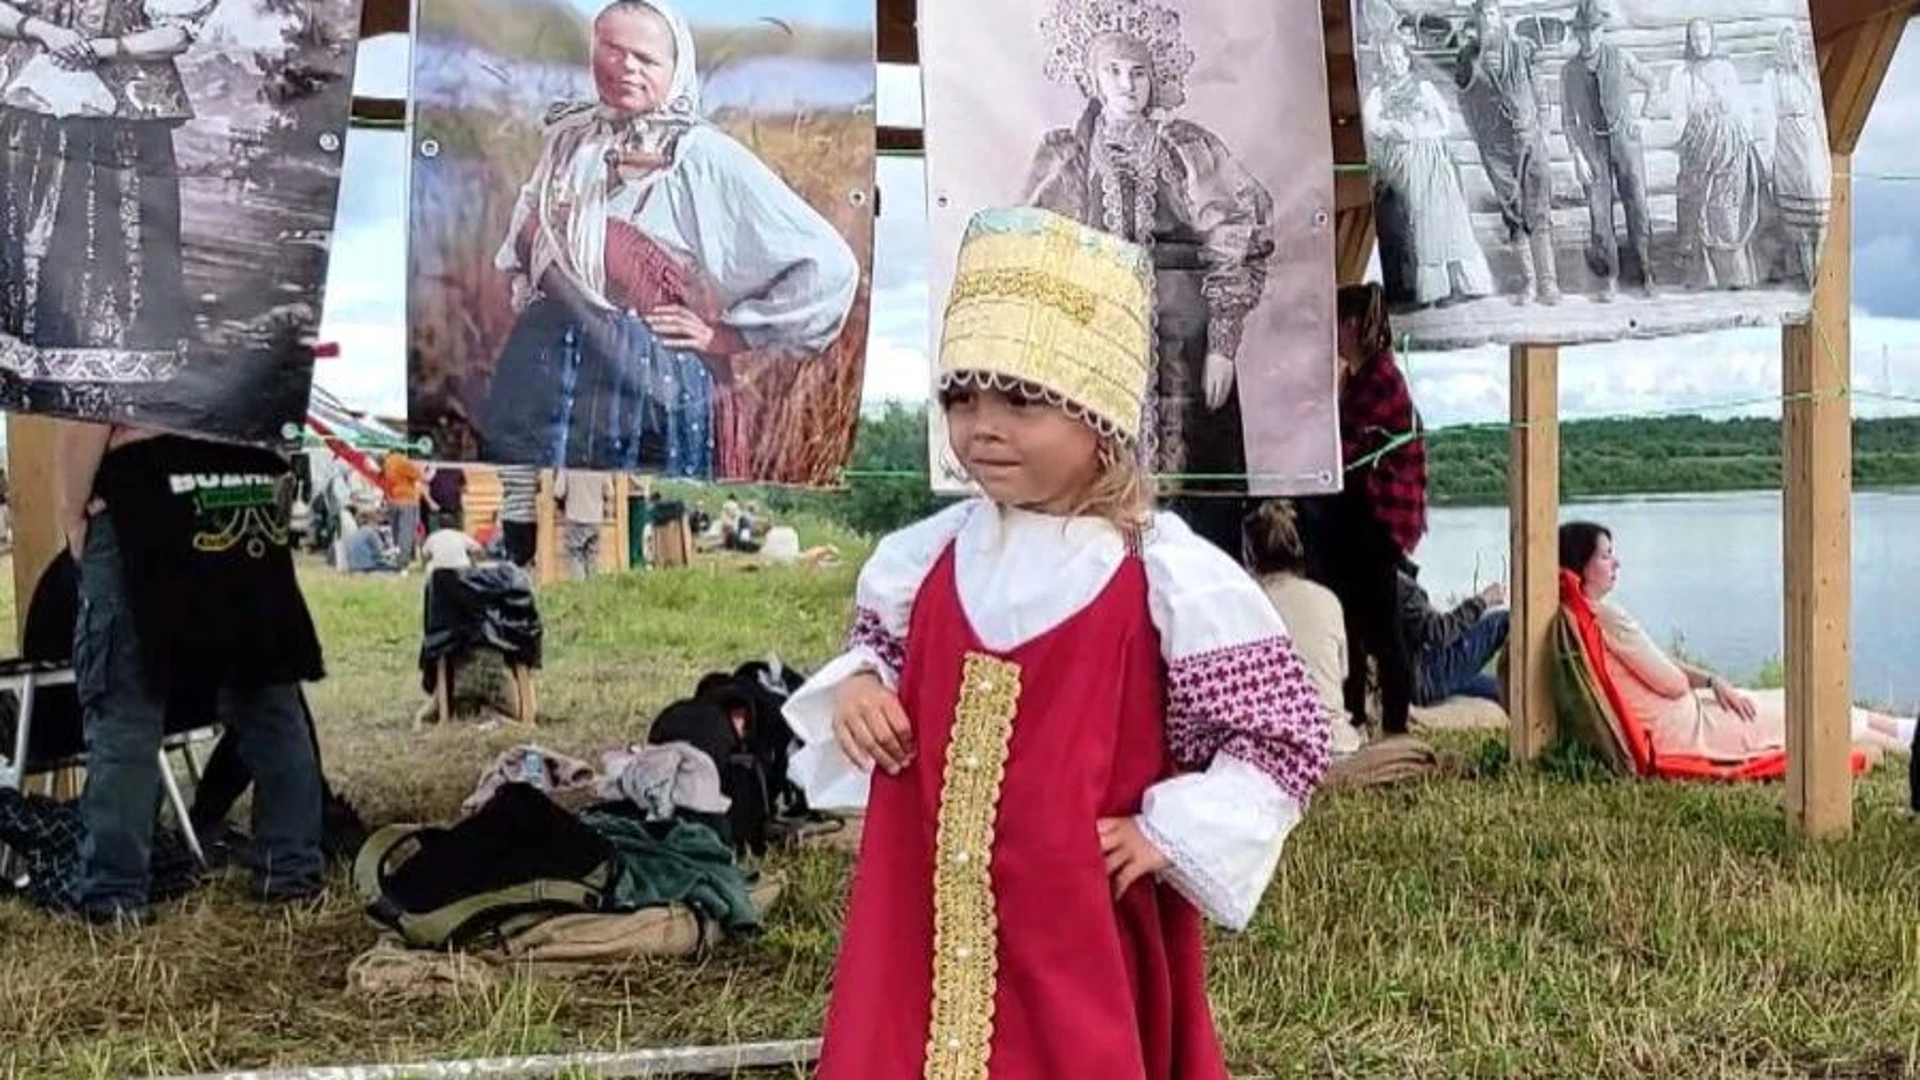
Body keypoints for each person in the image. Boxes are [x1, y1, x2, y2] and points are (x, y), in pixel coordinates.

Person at [782, 207, 1328, 1078]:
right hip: (923, 897)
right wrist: (857, 689)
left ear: (1100, 416)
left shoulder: (1163, 575)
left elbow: (1282, 738)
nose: (982, 426)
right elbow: (877, 651)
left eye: (1022, 400)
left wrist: (1171, 833)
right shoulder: (926, 558)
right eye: (961, 398)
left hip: (1078, 915)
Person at [479, 0, 859, 475]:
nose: (625, 67)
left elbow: (829, 266)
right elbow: (523, 235)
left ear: (676, 67)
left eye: (646, 58)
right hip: (549, 366)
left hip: (645, 380)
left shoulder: (701, 156)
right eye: (612, 49)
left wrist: (727, 335)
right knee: (529, 517)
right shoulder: (570, 142)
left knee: (631, 520)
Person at [55, 421, 327, 924]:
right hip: (246, 475)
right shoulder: (260, 335)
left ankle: (113, 896)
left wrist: (71, 512)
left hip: (148, 485)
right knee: (265, 690)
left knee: (126, 703)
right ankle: (291, 869)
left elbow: (86, 413)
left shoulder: (117, 337)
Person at [1022, 0, 1274, 527]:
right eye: (1113, 71)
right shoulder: (1066, 158)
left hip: (1187, 347)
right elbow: (1034, 252)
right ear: (1091, 78)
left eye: (1138, 72)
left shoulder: (1187, 150)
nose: (1126, 83)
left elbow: (1238, 232)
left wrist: (1223, 343)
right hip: (1095, 354)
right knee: (1092, 501)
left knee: (1199, 506)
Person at [1559, 521, 1914, 760]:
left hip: (1684, 717)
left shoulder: (1582, 615)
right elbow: (1671, 682)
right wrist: (1711, 682)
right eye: (1606, 556)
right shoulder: (1608, 618)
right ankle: (1908, 744)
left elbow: (1662, 670)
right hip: (1690, 731)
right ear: (1581, 565)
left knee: (1790, 700)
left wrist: (1715, 682)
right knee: (1808, 712)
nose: (1616, 563)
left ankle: (1905, 730)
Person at [0, 0, 212, 397]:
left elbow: (177, 32)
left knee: (117, 235)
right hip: (26, 105)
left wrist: (99, 48)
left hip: (125, 119)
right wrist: (44, 31)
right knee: (22, 226)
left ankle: (115, 376)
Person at [1311, 283, 1424, 736]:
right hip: (1357, 517)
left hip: (1377, 520)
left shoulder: (1380, 379)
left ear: (1353, 325)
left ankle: (1395, 727)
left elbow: (1345, 447)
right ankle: (1355, 714)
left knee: (1382, 630)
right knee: (1351, 623)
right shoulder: (1361, 377)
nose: (1331, 335)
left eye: (1336, 324)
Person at [1365, 37, 1493, 309]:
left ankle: (1465, 284)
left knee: (1445, 219)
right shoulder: (1379, 92)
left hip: (1431, 157)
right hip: (1401, 160)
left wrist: (1420, 131)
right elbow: (1372, 123)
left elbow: (1444, 121)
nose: (1395, 63)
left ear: (1407, 59)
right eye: (1389, 58)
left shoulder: (1423, 87)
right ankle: (1431, 290)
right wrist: (1392, 127)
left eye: (1399, 58)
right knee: (1418, 223)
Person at [1455, 0, 1558, 306]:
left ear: (1500, 15)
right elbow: (1463, 100)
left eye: (1491, 12)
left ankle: (1548, 283)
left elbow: (1540, 91)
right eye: (1481, 13)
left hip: (1530, 139)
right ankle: (1528, 282)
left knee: (1539, 210)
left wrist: (1544, 129)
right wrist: (1480, 139)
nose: (1487, 18)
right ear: (1476, 18)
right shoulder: (1468, 56)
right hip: (1496, 149)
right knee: (1513, 214)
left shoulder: (1522, 49)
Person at [1244, 500, 1363, 758]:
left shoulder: (1245, 604)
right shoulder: (1328, 599)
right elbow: (1341, 673)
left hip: (1269, 746)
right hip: (1333, 742)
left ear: (1250, 555)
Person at [1560, 0, 1660, 302]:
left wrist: (1644, 117)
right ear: (1577, 35)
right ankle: (1610, 279)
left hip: (1626, 144)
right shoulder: (1569, 71)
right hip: (1592, 149)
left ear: (1602, 30)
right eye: (1584, 32)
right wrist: (1577, 156)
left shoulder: (1620, 57)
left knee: (1637, 205)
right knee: (1599, 214)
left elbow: (1652, 82)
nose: (1589, 37)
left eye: (1594, 30)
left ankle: (1645, 273)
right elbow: (1567, 119)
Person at [1668, 18, 1764, 291]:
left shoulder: (1724, 69)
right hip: (1699, 145)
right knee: (1698, 205)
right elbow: (1678, 113)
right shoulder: (1682, 74)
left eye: (1704, 37)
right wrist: (1687, 140)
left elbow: (1740, 105)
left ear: (1711, 38)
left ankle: (1734, 275)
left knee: (1726, 207)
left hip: (1728, 143)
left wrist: (1745, 134)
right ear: (1689, 41)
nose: (1700, 43)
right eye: (1694, 38)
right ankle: (1702, 276)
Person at [1765, 25, 1829, 287]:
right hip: (1787, 140)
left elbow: (1819, 115)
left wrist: (1824, 149)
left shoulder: (1808, 77)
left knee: (1817, 201)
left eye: (1795, 45)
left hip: (1809, 139)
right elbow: (1769, 117)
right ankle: (1805, 271)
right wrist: (1771, 154)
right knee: (1794, 207)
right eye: (1786, 45)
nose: (1792, 50)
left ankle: (1819, 265)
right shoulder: (1773, 78)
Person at [1398, 567, 1508, 706]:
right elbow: (1437, 633)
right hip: (1425, 675)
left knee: (1499, 690)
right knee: (1502, 622)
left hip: (1415, 677)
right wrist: (1485, 599)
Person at [553, 469, 612, 580]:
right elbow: (609, 492)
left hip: (575, 517)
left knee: (575, 555)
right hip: (595, 518)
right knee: (592, 557)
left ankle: (579, 591)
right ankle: (593, 590)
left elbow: (558, 492)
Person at [380, 451, 428, 566]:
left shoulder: (388, 462)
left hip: (393, 500)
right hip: (407, 500)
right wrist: (424, 467)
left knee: (395, 532)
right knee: (406, 532)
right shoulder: (403, 461)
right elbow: (421, 476)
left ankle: (397, 558)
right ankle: (403, 562)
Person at [497, 465, 539, 568]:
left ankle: (513, 580)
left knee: (512, 557)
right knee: (527, 557)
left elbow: (501, 475)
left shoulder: (506, 467)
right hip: (528, 517)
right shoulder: (533, 468)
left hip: (510, 515)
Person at [426, 464, 467, 533]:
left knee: (459, 534)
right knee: (436, 535)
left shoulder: (457, 467)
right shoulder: (432, 467)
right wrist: (430, 502)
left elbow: (463, 484)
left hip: (455, 508)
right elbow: (423, 484)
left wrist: (464, 492)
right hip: (436, 509)